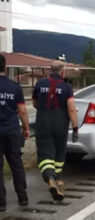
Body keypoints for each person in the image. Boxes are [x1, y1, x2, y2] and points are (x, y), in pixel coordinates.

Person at [32, 60, 78, 201]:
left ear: (49, 70)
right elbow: (71, 108)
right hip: (60, 123)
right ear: (62, 72)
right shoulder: (66, 87)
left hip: (43, 121)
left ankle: (50, 178)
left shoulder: (39, 84)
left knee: (45, 153)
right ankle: (58, 179)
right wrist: (75, 128)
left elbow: (34, 103)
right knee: (59, 152)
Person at [0, 54, 29, 211]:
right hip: (12, 130)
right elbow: (23, 111)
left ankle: (1, 203)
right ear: (5, 67)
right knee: (16, 164)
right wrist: (26, 128)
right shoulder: (14, 87)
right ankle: (22, 196)